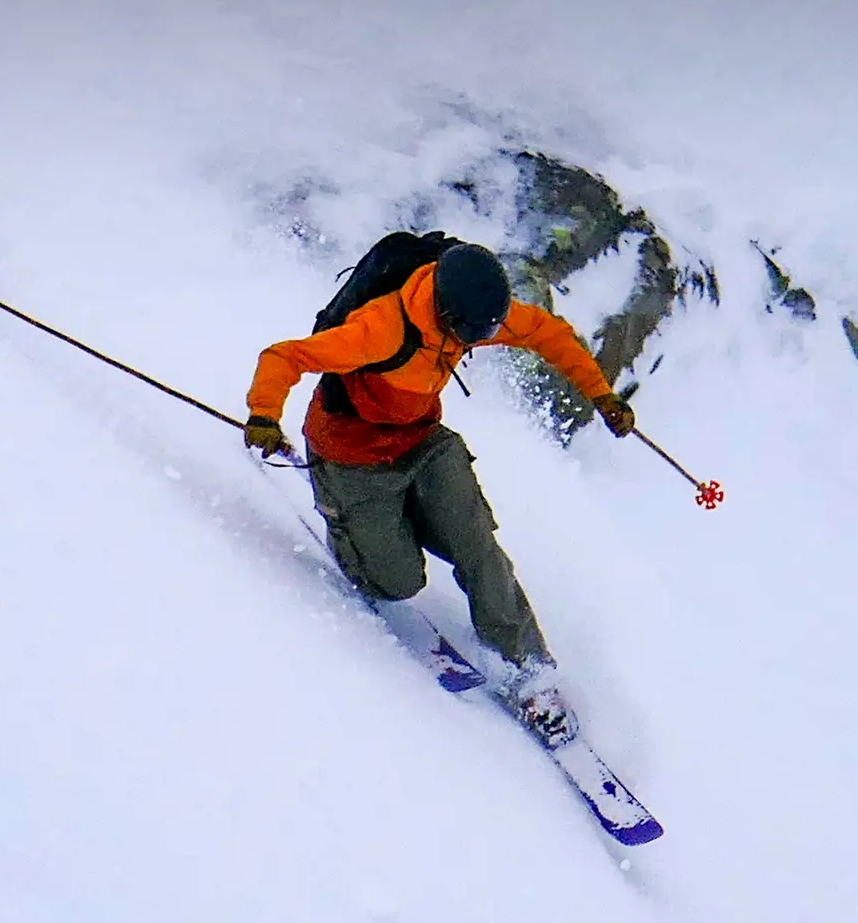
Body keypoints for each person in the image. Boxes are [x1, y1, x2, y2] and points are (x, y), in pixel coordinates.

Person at [244, 241, 636, 745]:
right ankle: (348, 519)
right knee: (396, 583)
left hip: (423, 444)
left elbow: (546, 333)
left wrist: (601, 393)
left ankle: (530, 677)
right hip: (353, 455)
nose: (480, 341)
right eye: (474, 333)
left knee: (479, 548)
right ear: (447, 311)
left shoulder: (476, 313)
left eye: (488, 332)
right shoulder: (381, 329)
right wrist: (263, 414)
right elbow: (286, 355)